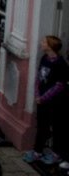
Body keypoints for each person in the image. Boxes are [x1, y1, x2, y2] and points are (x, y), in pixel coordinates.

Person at [24, 35, 69, 165]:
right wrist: (37, 94)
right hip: (42, 100)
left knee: (57, 127)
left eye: (44, 42)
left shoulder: (60, 64)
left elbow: (59, 85)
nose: (41, 43)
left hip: (55, 102)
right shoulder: (44, 58)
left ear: (50, 46)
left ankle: (56, 153)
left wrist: (43, 97)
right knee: (42, 126)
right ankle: (37, 151)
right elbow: (39, 78)